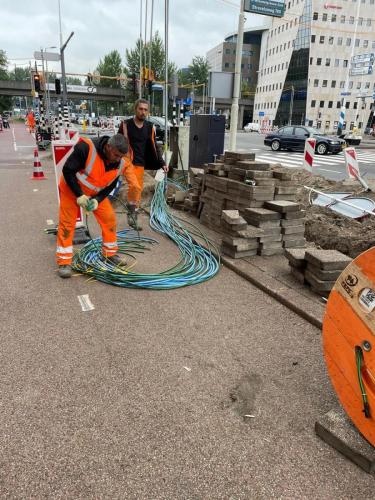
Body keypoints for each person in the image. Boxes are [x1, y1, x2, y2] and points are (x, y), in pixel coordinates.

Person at [56, 133, 135, 279]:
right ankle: (64, 261)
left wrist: (98, 199)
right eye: (116, 155)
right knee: (67, 224)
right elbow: (67, 170)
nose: (118, 160)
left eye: (121, 157)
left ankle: (109, 254)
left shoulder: (121, 162)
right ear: (108, 147)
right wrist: (79, 194)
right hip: (71, 190)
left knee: (109, 219)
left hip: (95, 194)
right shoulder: (85, 148)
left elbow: (110, 184)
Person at [118, 98, 168, 230]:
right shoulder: (125, 125)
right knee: (134, 186)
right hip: (127, 161)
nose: (143, 112)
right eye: (140, 109)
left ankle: (133, 215)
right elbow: (117, 141)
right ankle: (132, 213)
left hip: (140, 163)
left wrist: (162, 162)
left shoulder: (149, 127)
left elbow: (154, 146)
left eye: (145, 110)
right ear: (135, 109)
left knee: (137, 190)